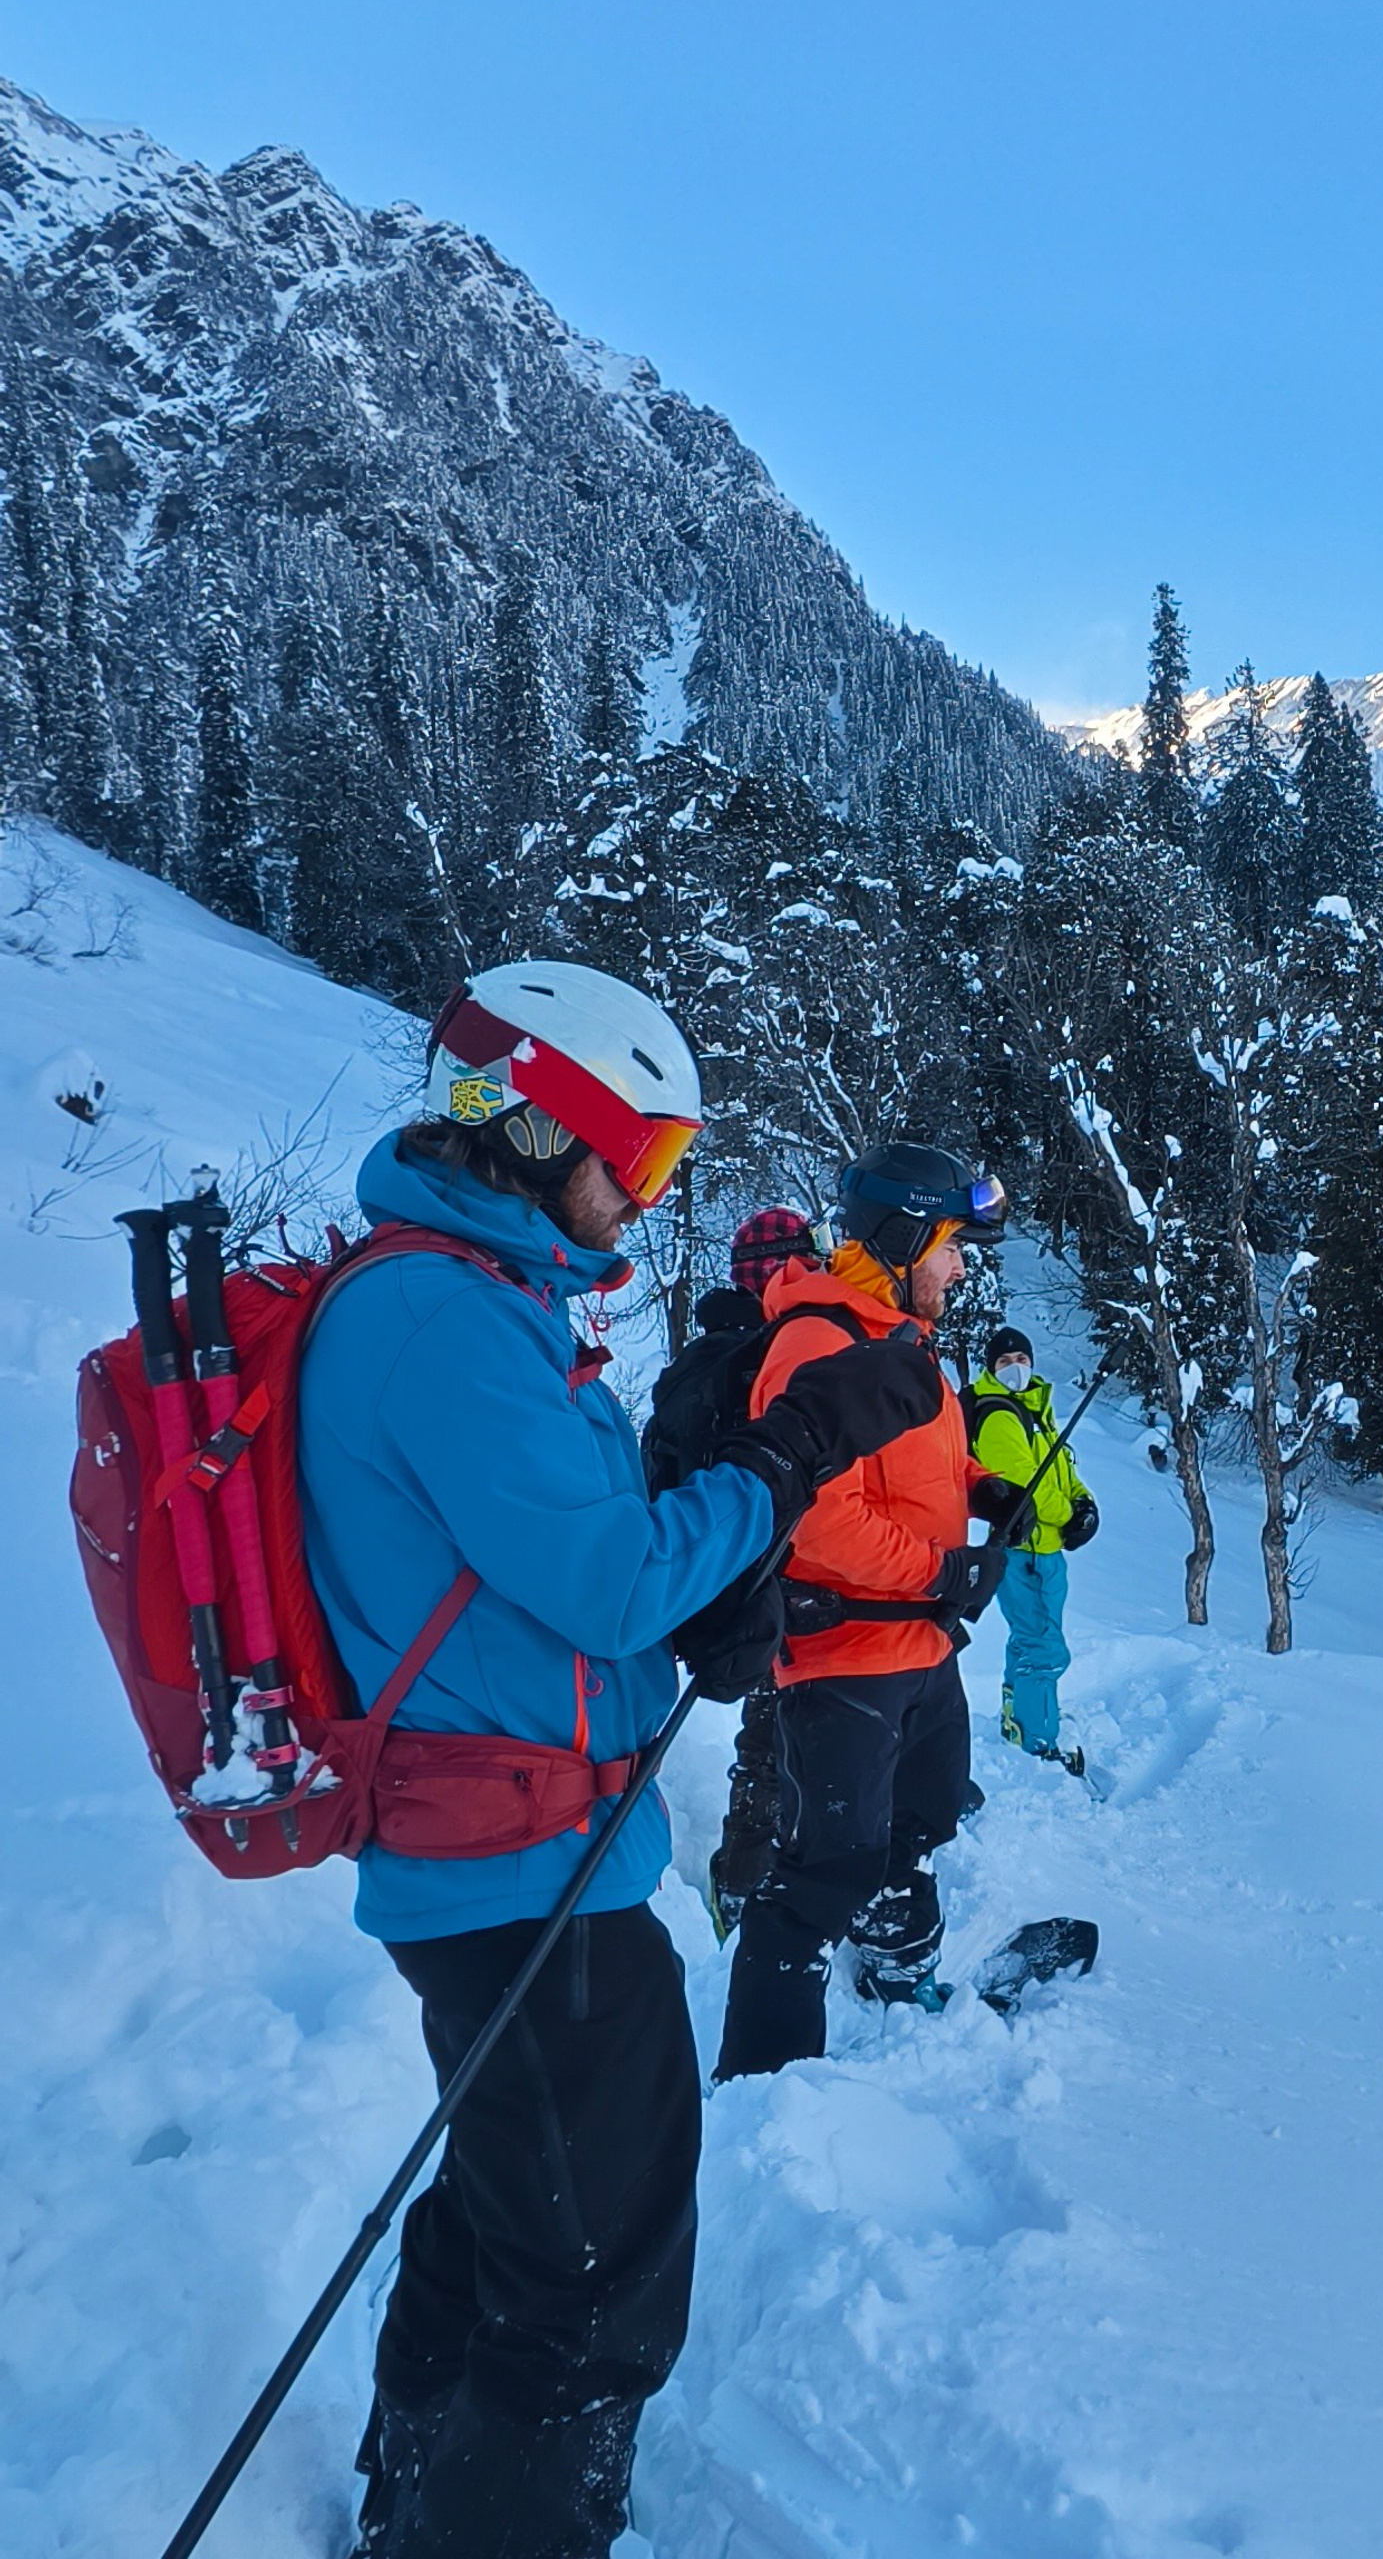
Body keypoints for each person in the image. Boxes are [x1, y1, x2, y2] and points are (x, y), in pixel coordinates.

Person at [298, 964, 943, 2559]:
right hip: (518, 1879)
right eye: (637, 1158)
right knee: (595, 2287)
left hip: (518, 1854)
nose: (643, 1200)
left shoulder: (471, 1303)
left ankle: (413, 2502)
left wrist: (694, 1605)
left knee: (515, 2207)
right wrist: (776, 1472)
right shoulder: (446, 1321)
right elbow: (605, 1578)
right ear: (535, 1128)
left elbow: (557, 1590)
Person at [713, 1140, 1025, 2080]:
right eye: (951, 1245)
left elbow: (917, 1463)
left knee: (922, 1822)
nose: (962, 1265)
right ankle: (764, 2086)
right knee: (816, 1880)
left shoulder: (900, 1339)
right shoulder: (817, 1342)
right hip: (846, 1658)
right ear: (900, 1237)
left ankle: (897, 1971)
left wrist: (986, 1489)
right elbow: (817, 1522)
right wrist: (940, 1571)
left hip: (922, 1651)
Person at [698, 1207, 823, 1926]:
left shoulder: (727, 1345)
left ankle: (749, 1877)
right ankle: (745, 1882)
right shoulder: (762, 1351)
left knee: (775, 1741)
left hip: (765, 1574)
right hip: (775, 1576)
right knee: (774, 1744)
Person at [964, 1323, 1099, 1771]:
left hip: (1042, 1550)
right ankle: (1038, 1744)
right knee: (1043, 1648)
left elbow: (1059, 1465)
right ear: (991, 1368)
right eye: (1005, 1362)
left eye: (1022, 1360)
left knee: (1029, 1641)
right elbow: (1027, 1483)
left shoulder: (1033, 1410)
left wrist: (1083, 1502)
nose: (1016, 1368)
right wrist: (1067, 1515)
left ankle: (1019, 1719)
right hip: (1025, 1551)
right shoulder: (1001, 1414)